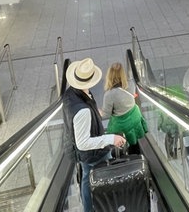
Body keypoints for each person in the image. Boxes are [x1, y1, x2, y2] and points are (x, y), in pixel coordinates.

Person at [63, 58, 126, 212]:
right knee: (106, 180)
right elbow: (83, 143)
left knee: (86, 178)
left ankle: (88, 209)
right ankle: (108, 207)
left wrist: (94, 112)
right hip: (95, 154)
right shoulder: (82, 110)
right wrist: (112, 138)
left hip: (85, 156)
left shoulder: (71, 92)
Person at [101, 63, 148, 155]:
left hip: (122, 125)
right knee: (134, 143)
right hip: (135, 117)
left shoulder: (109, 95)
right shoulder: (131, 83)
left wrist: (99, 112)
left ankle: (123, 158)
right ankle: (137, 156)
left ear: (109, 76)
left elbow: (106, 115)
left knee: (118, 143)